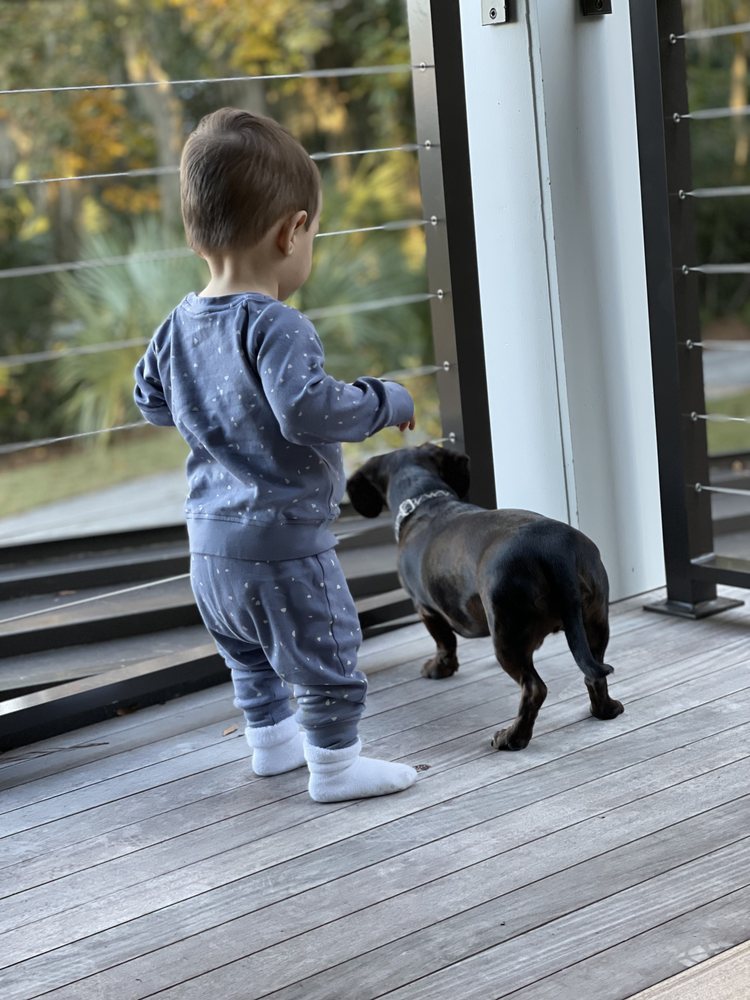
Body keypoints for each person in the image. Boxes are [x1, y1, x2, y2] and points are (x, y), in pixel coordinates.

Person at [134, 108, 417, 803]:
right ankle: (336, 768)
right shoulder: (276, 325)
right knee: (325, 655)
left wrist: (215, 414)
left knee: (250, 657)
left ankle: (272, 747)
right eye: (312, 233)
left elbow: (150, 400)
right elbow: (309, 410)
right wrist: (385, 401)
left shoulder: (177, 325)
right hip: (285, 548)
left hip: (209, 550)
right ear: (292, 231)